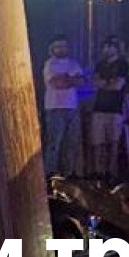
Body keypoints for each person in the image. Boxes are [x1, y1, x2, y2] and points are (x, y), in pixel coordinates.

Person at [42, 35, 84, 176]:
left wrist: (65, 79)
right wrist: (70, 79)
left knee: (71, 142)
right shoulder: (50, 64)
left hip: (72, 107)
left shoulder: (74, 63)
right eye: (58, 46)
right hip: (54, 108)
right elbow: (56, 83)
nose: (61, 49)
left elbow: (80, 81)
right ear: (52, 48)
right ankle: (50, 174)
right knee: (55, 143)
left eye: (64, 46)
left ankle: (68, 173)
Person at [91, 37, 128, 178]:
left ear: (115, 48)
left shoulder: (123, 65)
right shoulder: (100, 65)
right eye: (104, 47)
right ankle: (98, 174)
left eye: (109, 46)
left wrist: (104, 84)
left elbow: (118, 85)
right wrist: (108, 83)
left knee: (113, 143)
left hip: (115, 109)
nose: (105, 50)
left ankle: (112, 174)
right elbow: (95, 82)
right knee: (98, 143)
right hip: (99, 108)